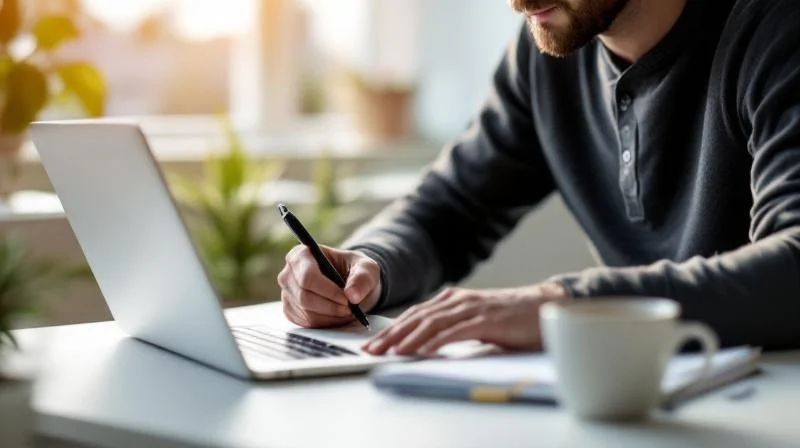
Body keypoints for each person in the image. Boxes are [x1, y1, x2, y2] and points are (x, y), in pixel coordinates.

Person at [277, 0, 800, 356]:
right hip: (650, 400)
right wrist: (369, 263)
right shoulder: (549, 52)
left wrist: (563, 304)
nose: (518, 3)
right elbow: (450, 208)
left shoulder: (778, 29)